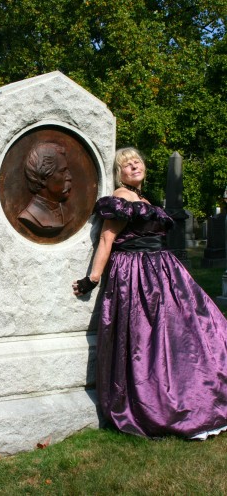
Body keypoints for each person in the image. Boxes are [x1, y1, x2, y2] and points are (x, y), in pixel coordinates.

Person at [73, 147, 227, 440]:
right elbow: (107, 239)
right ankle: (159, 402)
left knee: (192, 330)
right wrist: (92, 279)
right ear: (119, 173)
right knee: (148, 339)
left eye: (137, 162)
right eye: (126, 164)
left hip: (163, 271)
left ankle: (198, 390)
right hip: (136, 274)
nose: (134, 165)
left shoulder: (143, 199)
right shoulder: (120, 199)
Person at [18, 142, 73, 236]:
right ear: (43, 178)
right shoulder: (29, 217)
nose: (69, 177)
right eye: (62, 171)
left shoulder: (68, 214)